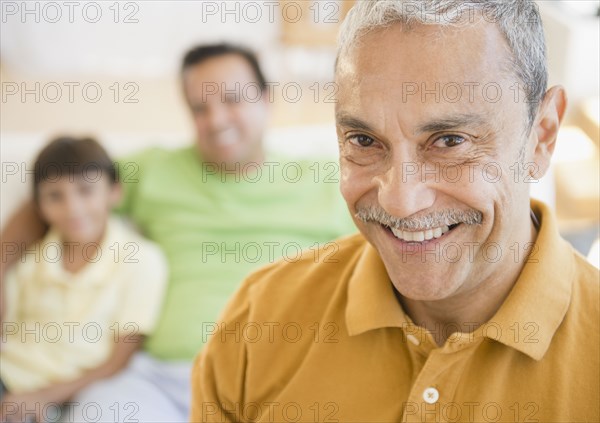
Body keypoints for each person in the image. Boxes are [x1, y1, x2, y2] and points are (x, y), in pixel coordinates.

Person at [190, 1, 599, 422]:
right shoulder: (259, 319)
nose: (400, 201)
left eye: (450, 140)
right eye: (364, 141)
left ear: (542, 136)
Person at [0, 44, 355, 421]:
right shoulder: (155, 170)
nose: (216, 120)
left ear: (267, 99)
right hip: (163, 381)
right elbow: (59, 187)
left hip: (285, 378)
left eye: (232, 100)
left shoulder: (327, 179)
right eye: (200, 108)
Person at [0, 137, 167, 423]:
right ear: (39, 206)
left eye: (85, 191)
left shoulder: (141, 260)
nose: (72, 208)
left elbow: (119, 361)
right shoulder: (34, 255)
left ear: (114, 192)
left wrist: (43, 397)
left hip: (64, 396)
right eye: (55, 196)